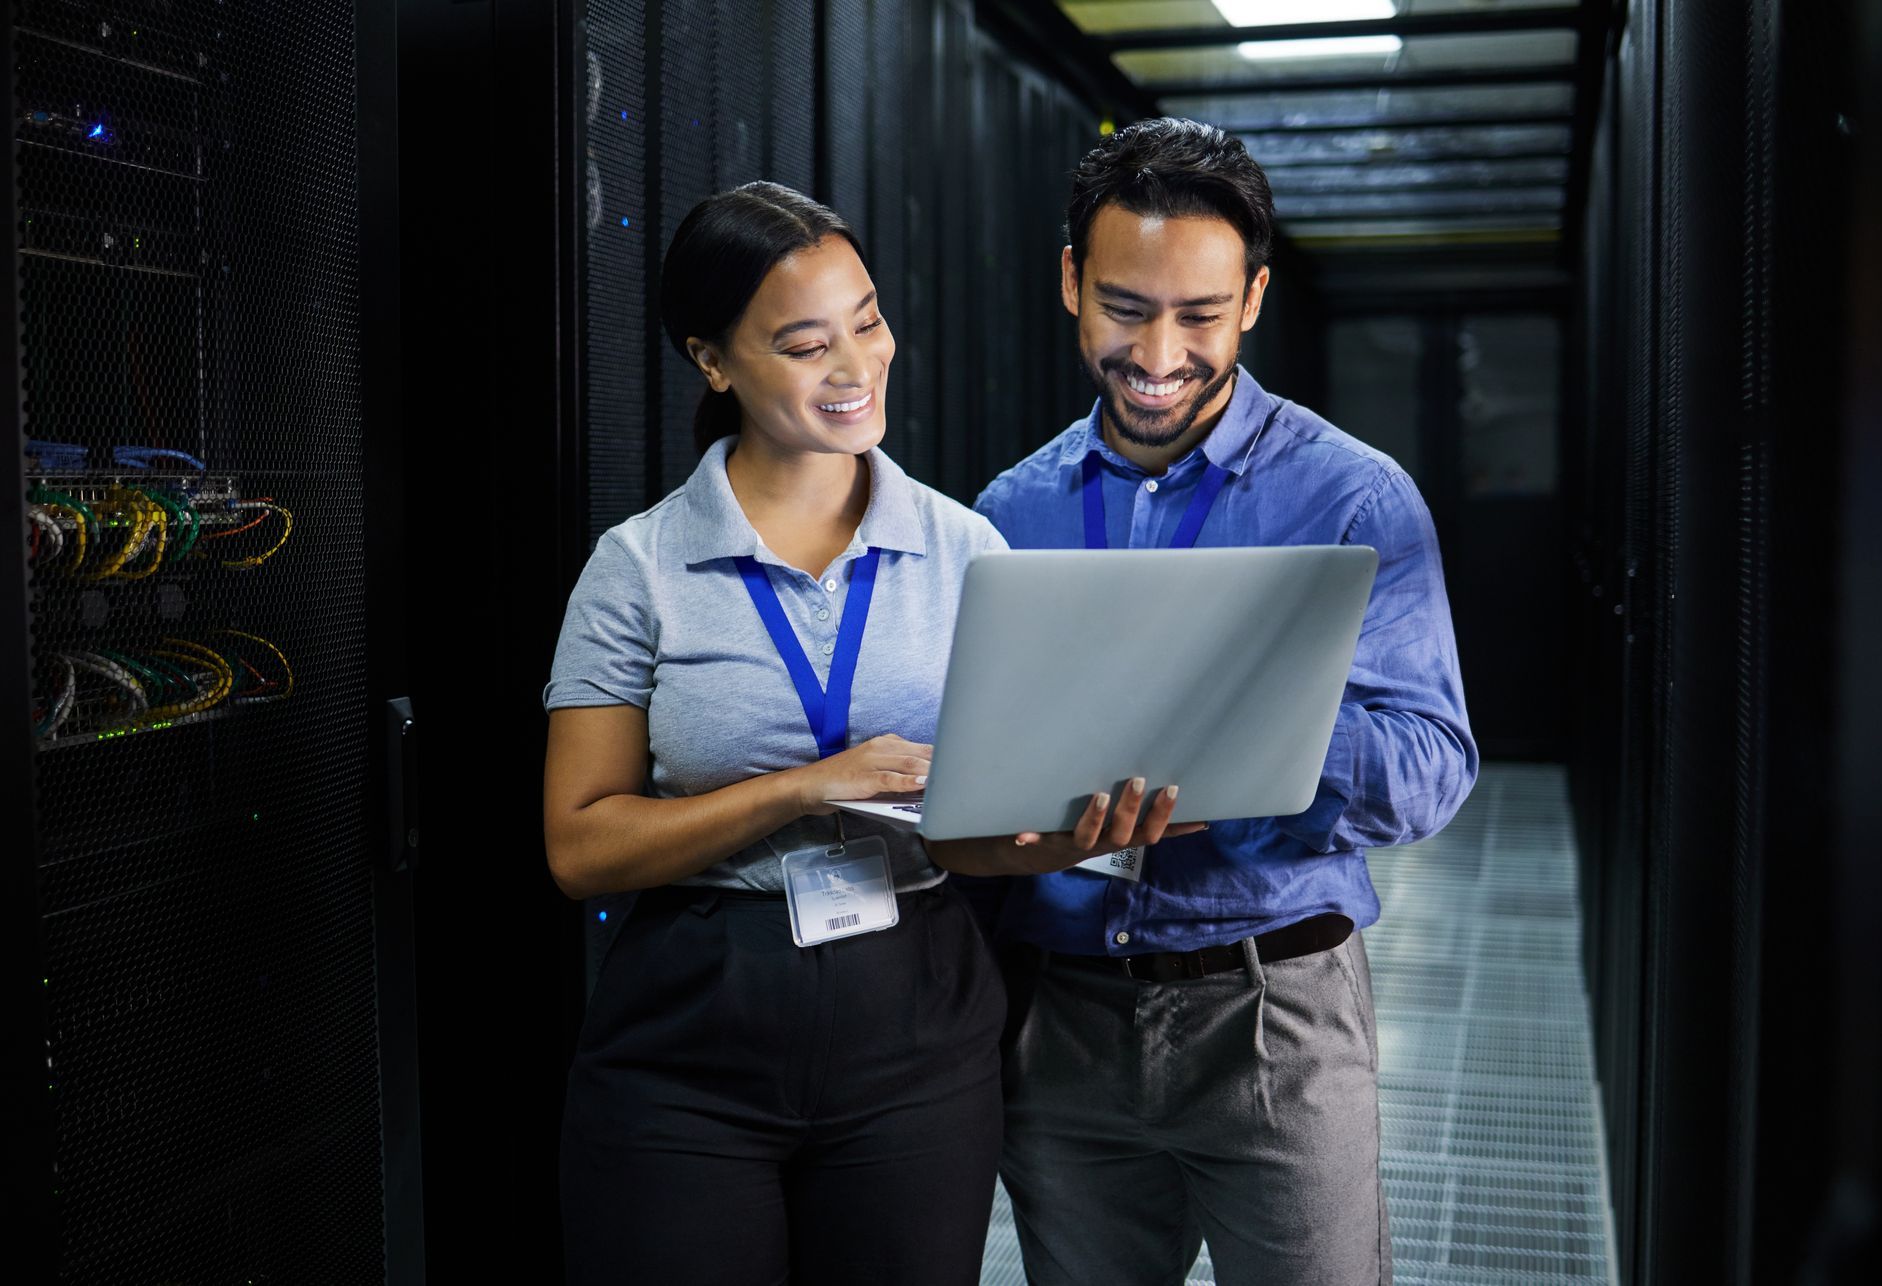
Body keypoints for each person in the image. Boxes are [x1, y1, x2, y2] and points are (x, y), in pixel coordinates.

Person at [967, 118, 1479, 1286]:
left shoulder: (1355, 499)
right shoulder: (1007, 512)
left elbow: (1434, 764)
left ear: (1252, 298)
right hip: (1066, 1018)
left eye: (1200, 315)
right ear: (1069, 283)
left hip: (1274, 1009)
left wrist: (1250, 729)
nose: (1158, 352)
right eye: (1126, 307)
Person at [543, 181, 1027, 1285]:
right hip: (690, 1038)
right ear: (713, 361)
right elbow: (579, 847)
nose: (856, 366)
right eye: (807, 344)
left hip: (917, 1021)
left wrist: (1077, 823)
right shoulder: (639, 568)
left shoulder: (969, 552)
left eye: (866, 319)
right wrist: (803, 787)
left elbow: (979, 837)